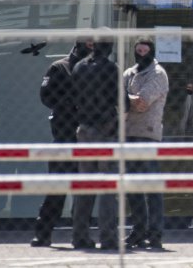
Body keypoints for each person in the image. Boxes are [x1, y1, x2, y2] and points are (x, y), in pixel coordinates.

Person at [30, 38, 93, 247]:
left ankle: (81, 234)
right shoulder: (60, 67)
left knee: (84, 189)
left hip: (87, 135)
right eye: (88, 44)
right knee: (57, 186)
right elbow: (45, 95)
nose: (91, 48)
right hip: (64, 134)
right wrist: (68, 104)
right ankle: (43, 232)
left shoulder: (96, 69)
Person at [70, 38, 120, 250]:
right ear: (110, 47)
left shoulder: (79, 67)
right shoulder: (111, 68)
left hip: (84, 129)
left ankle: (79, 236)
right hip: (106, 129)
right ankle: (108, 237)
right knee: (108, 185)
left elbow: (73, 96)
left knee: (85, 184)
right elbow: (122, 100)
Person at [122, 37, 169, 250]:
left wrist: (125, 99)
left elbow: (142, 103)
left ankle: (155, 233)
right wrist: (126, 100)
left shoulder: (158, 74)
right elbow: (119, 101)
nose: (141, 54)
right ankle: (138, 230)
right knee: (132, 186)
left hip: (147, 134)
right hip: (128, 134)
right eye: (138, 50)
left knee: (151, 187)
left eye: (144, 51)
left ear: (151, 52)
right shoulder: (129, 73)